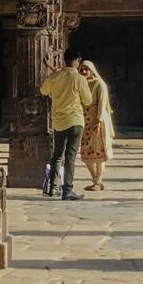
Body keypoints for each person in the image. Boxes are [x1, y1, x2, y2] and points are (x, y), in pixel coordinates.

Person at [41, 48, 92, 200]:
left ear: (64, 59)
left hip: (59, 121)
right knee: (70, 156)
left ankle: (52, 187)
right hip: (76, 120)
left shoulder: (55, 76)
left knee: (57, 155)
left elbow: (44, 90)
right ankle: (67, 190)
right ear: (78, 60)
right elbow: (88, 100)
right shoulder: (80, 79)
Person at [78, 61, 115, 191]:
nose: (83, 72)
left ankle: (98, 181)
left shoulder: (99, 84)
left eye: (86, 69)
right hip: (84, 120)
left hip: (97, 121)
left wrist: (98, 121)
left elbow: (102, 103)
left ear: (92, 70)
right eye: (81, 69)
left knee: (99, 152)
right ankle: (95, 179)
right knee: (86, 153)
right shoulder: (80, 83)